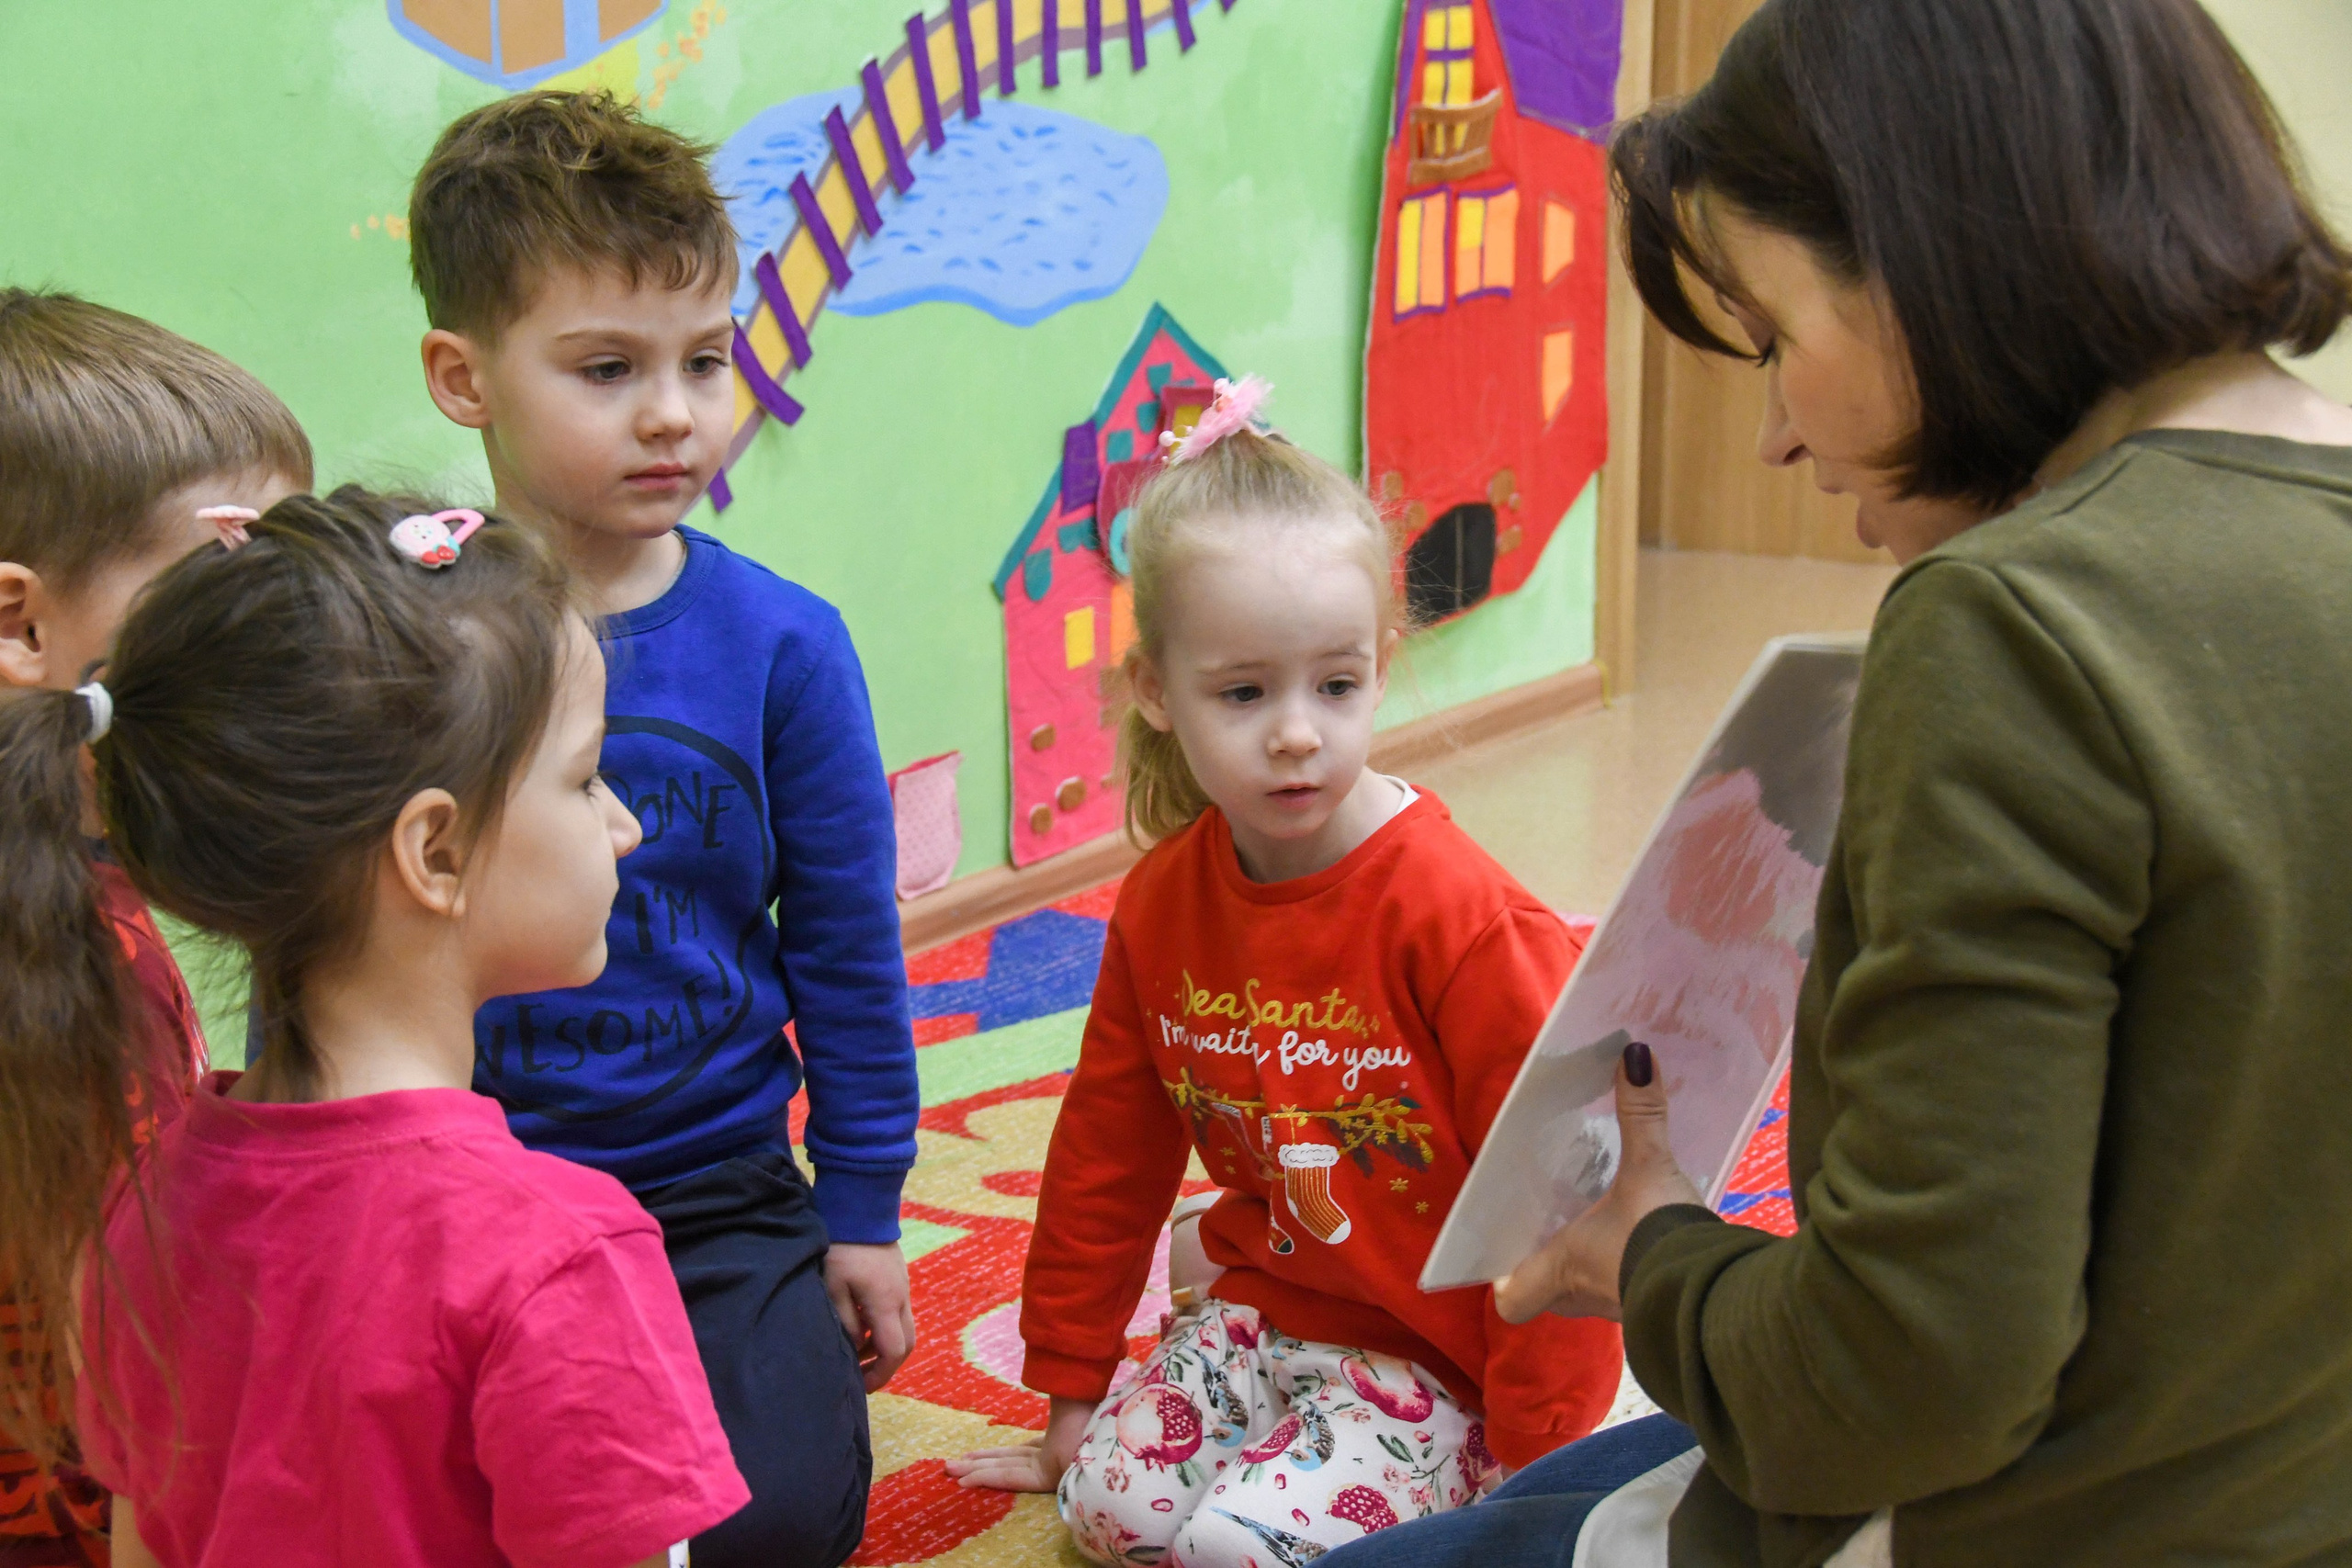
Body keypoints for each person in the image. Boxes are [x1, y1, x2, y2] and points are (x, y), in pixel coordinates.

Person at [1323, 2, 2352, 1564]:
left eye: (1774, 341)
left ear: (1933, 253)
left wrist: (1653, 1248)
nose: (1777, 437)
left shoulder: (2018, 623)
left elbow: (1908, 1380)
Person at [0, 488, 752, 1566]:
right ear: (433, 853)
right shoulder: (559, 1257)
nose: (624, 824)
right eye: (585, 780)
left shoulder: (142, 1210)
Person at [944, 380, 1623, 1564]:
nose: (1298, 732)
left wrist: (1539, 1461)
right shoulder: (1162, 904)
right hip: (1267, 1313)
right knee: (1101, 1511)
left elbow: (1564, 1190)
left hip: (1440, 1355)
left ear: (1381, 660)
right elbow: (1108, 1151)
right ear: (1154, 689)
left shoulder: (1463, 918)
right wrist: (1068, 1391)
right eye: (1244, 693)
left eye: (1337, 684)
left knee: (1230, 1552)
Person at [407, 90, 920, 1568]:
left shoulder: (784, 645)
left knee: (768, 1533)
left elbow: (844, 942)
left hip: (717, 1188)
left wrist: (866, 1208)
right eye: (607, 367)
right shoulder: (408, 637)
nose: (675, 413)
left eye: (706, 360)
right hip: (469, 1180)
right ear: (464, 375)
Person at [0, 288, 311, 1564]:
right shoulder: (69, 946)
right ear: (24, 625)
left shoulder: (84, 874)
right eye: (221, 589)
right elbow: (126, 1333)